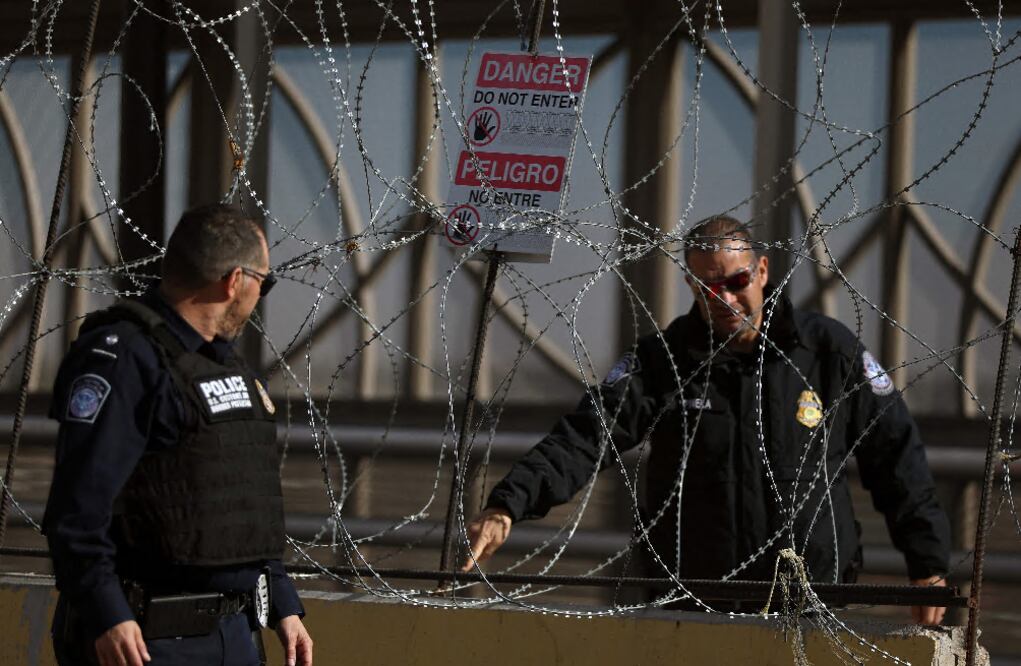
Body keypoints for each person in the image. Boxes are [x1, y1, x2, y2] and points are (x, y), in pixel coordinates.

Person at [463, 215, 951, 624]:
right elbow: (587, 435)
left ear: (761, 271)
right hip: (692, 603)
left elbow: (895, 454)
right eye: (708, 287)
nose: (725, 300)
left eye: (737, 282)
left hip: (807, 602)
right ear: (690, 284)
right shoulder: (665, 360)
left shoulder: (826, 350)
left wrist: (926, 564)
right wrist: (508, 503)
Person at [43, 204, 313, 665]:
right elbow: (78, 507)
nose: (259, 296)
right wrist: (107, 613)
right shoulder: (127, 359)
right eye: (264, 283)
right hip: (146, 640)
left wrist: (282, 604)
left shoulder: (224, 366)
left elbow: (240, 501)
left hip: (234, 632)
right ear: (235, 282)